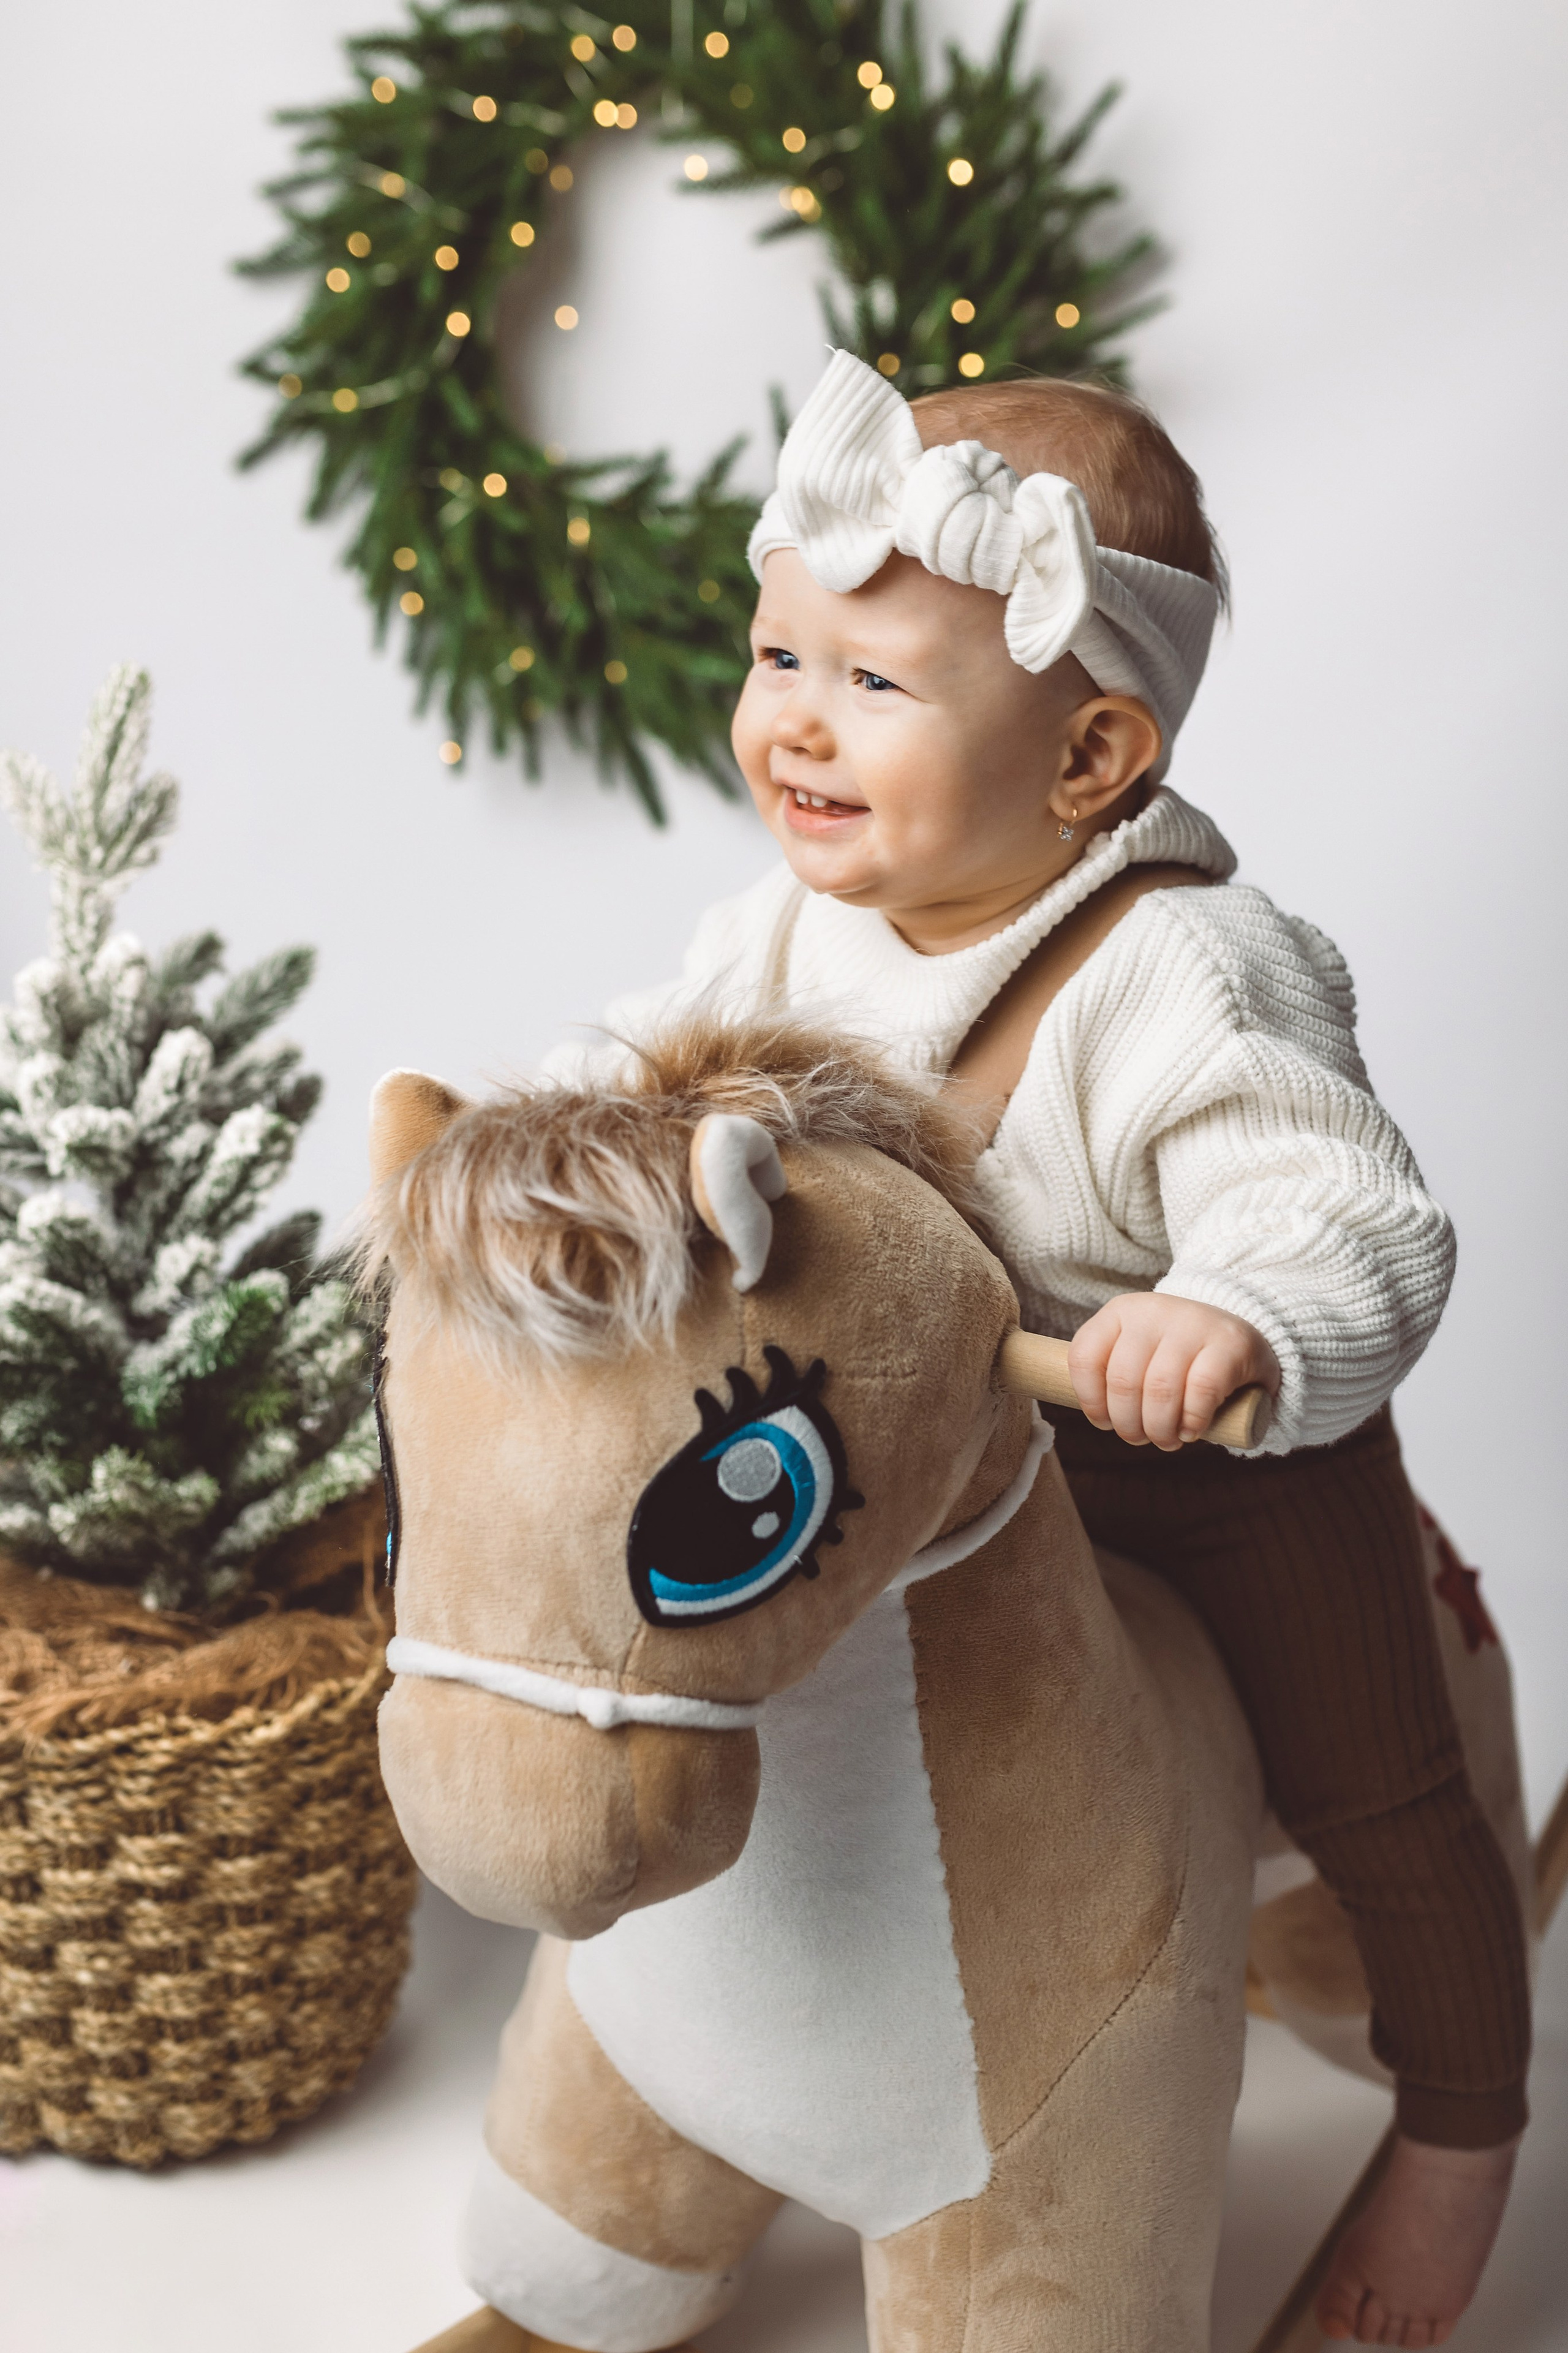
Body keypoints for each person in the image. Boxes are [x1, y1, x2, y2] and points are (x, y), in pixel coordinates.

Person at [558, 348, 1529, 2347]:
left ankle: (1460, 2137)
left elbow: (1346, 1204)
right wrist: (557, 1148)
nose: (794, 728)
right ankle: (732, 2070)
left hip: (1187, 1467)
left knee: (1387, 1790)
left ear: (1093, 761)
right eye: (779, 660)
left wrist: (1234, 1312)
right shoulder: (778, 934)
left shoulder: (1185, 963)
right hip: (918, 1464)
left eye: (875, 685)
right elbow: (641, 1069)